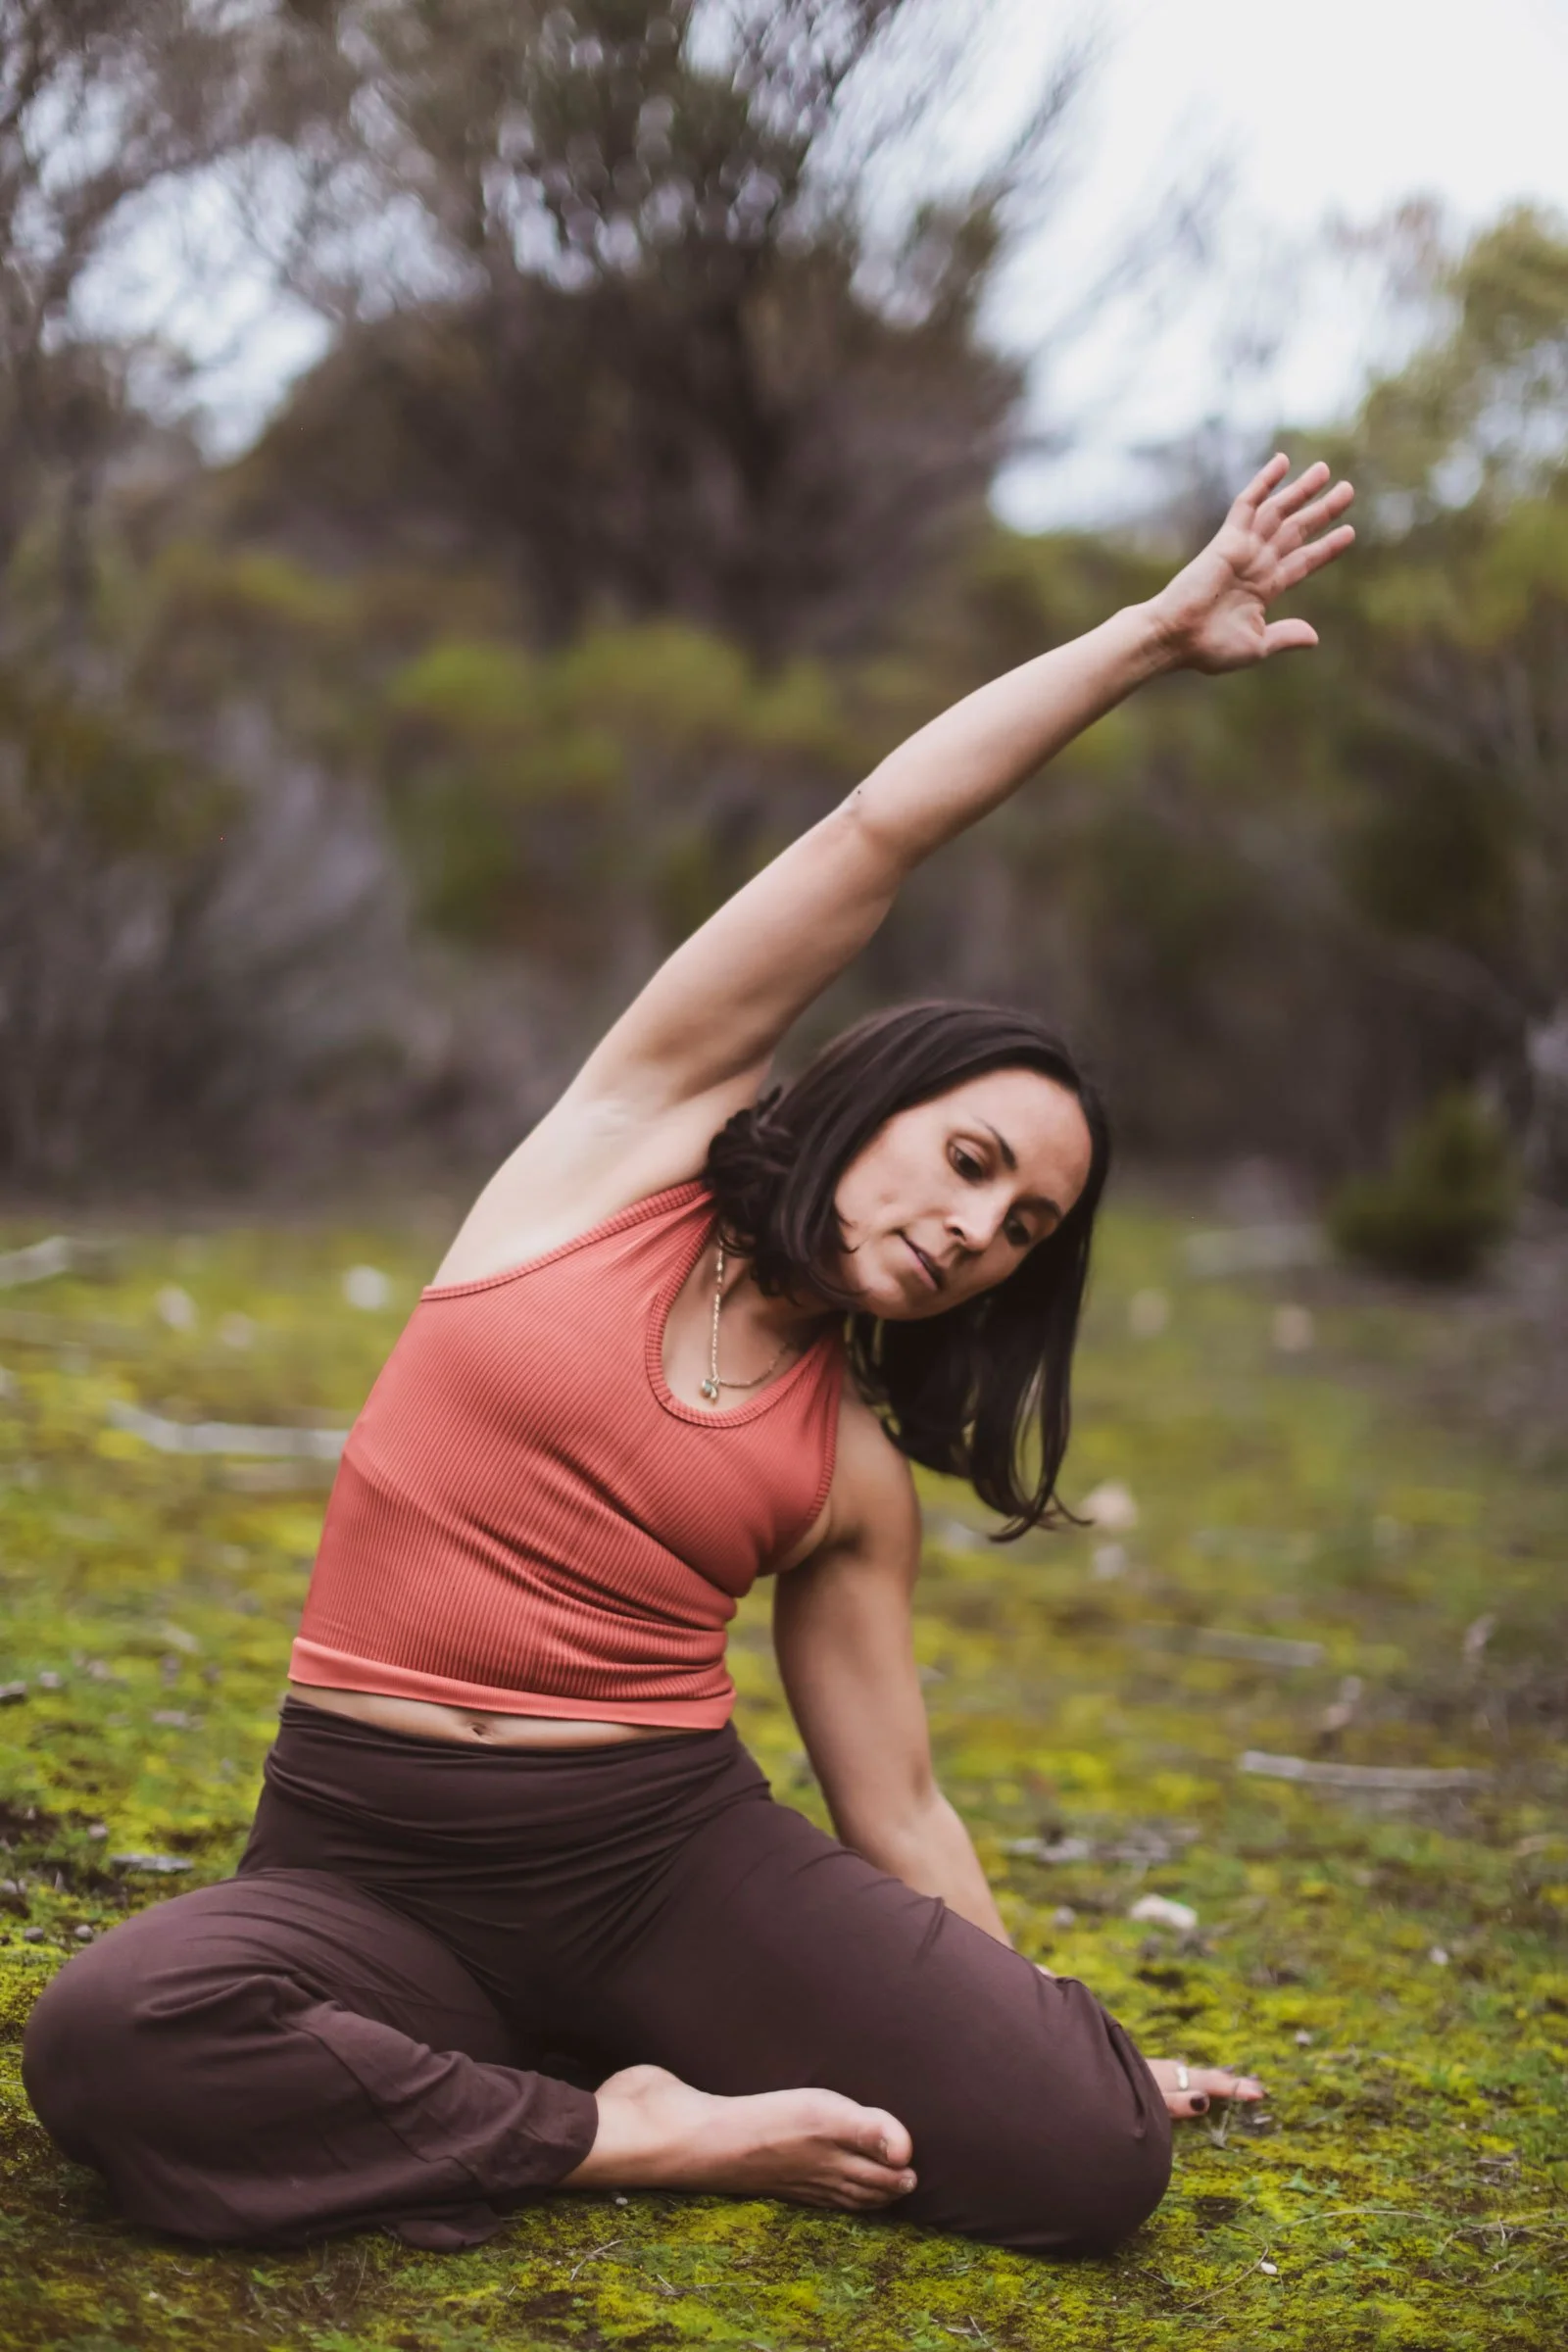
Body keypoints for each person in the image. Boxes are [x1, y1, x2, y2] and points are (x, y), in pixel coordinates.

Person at [24, 454, 1353, 2257]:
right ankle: (629, 2127)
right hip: (363, 1861)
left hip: (657, 1868)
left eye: (1024, 1228)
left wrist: (1036, 2030)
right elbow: (876, 830)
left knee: (1092, 2158)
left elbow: (897, 1806)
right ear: (880, 1097)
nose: (978, 1229)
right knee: (110, 2039)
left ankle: (581, 2070)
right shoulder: (615, 1152)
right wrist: (1139, 639)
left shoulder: (850, 1475)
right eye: (971, 1162)